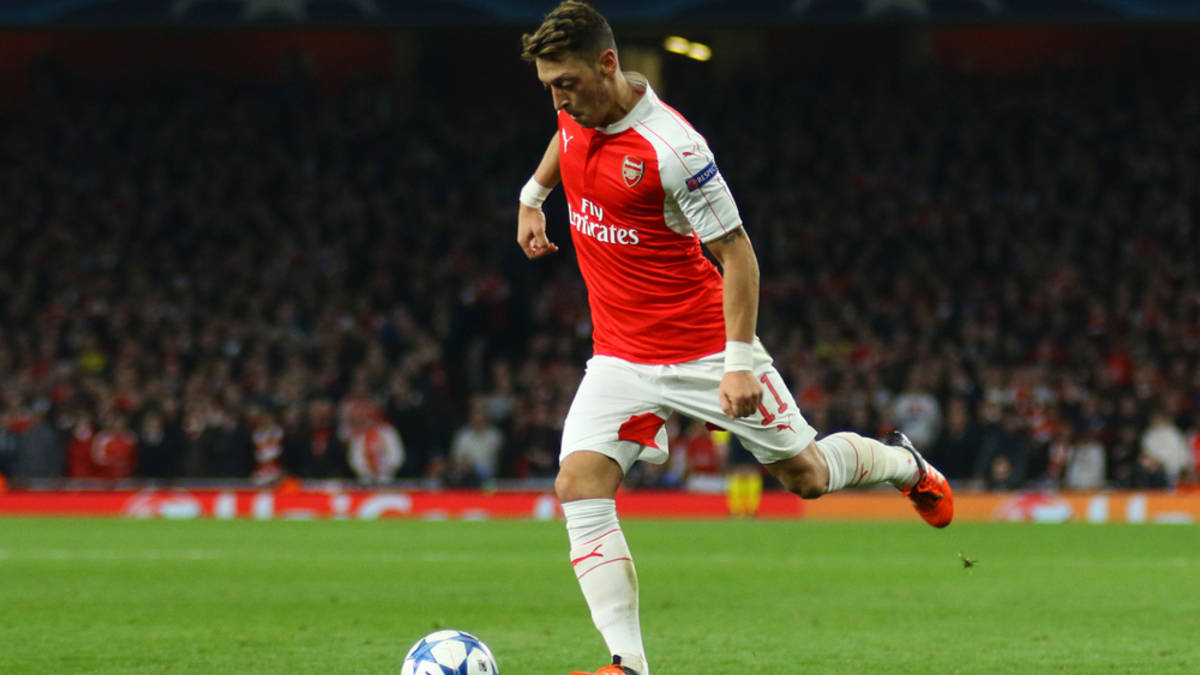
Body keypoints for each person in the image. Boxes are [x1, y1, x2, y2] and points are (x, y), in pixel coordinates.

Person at [516, 4, 954, 674]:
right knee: (578, 483)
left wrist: (740, 363)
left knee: (807, 476)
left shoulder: (675, 150)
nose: (557, 100)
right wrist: (532, 195)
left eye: (566, 83)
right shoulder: (577, 111)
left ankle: (904, 465)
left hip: (704, 349)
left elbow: (739, 254)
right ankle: (626, 664)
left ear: (607, 64)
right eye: (549, 86)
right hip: (620, 356)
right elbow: (562, 137)